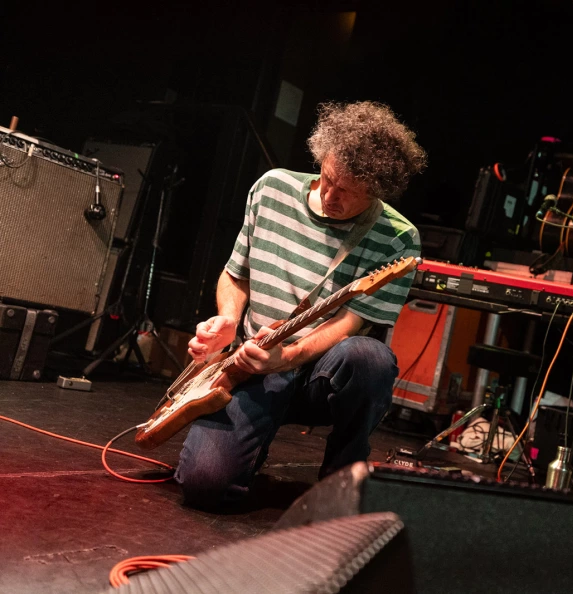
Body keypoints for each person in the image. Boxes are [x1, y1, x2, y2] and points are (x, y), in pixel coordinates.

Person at [176, 101, 426, 508]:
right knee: (204, 485)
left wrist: (287, 357)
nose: (330, 196)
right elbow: (235, 274)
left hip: (318, 375)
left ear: (377, 190)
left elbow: (350, 324)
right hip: (253, 363)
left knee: (370, 358)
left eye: (347, 192)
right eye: (327, 178)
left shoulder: (398, 237)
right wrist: (227, 319)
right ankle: (253, 437)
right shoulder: (272, 188)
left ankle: (344, 472)